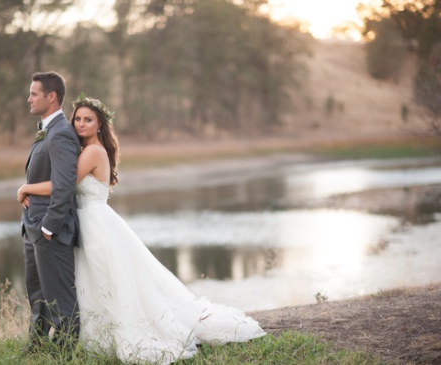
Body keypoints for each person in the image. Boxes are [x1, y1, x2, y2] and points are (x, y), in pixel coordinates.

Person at [17, 94, 266, 364]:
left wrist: (26, 187)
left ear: (99, 124)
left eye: (88, 120)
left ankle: (118, 335)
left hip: (95, 224)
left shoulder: (92, 152)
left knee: (108, 281)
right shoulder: (86, 150)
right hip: (87, 221)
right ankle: (97, 336)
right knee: (95, 282)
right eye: (77, 119)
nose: (80, 124)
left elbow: (62, 185)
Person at [19, 71, 81, 353]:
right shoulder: (47, 128)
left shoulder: (62, 133)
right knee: (38, 296)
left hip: (49, 230)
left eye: (34, 93)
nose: (29, 98)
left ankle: (65, 355)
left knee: (61, 301)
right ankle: (35, 349)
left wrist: (49, 227)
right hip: (33, 226)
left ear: (51, 96)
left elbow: (65, 186)